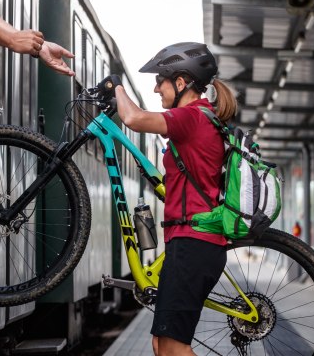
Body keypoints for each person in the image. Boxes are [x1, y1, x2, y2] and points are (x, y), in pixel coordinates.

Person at [97, 42, 238, 356]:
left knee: (173, 347)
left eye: (161, 80)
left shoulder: (192, 116)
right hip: (189, 245)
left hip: (193, 245)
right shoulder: (201, 118)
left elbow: (133, 119)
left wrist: (116, 86)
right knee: (162, 345)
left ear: (181, 82)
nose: (156, 87)